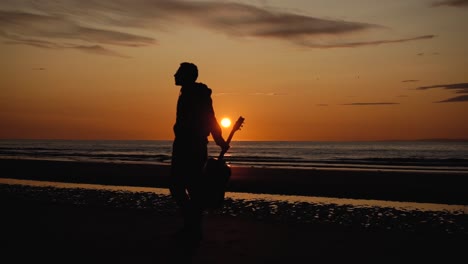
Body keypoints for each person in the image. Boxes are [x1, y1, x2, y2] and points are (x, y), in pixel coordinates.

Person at [170, 62, 229, 246]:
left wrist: (219, 140)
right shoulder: (187, 93)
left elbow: (210, 118)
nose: (174, 75)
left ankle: (193, 228)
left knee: (185, 187)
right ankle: (192, 227)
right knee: (183, 187)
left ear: (187, 75)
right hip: (183, 145)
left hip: (191, 147)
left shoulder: (198, 94)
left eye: (178, 72)